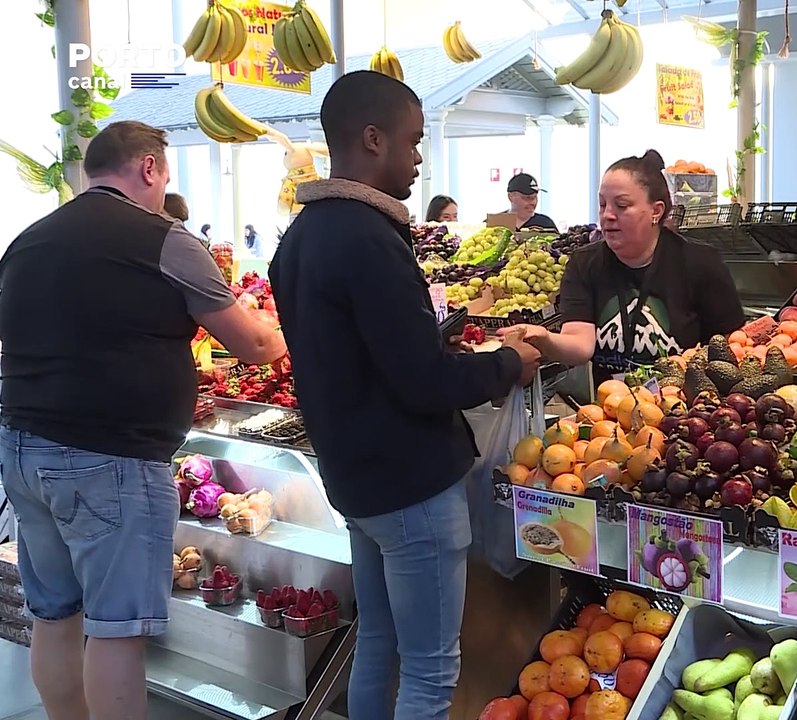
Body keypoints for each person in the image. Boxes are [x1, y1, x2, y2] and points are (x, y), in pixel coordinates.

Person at [269, 71, 540, 720]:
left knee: (379, 647)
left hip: (357, 487)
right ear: (372, 139)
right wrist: (509, 362)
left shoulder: (299, 239)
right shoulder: (368, 238)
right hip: (412, 490)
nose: (420, 158)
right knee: (429, 671)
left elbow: (359, 357)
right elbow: (422, 383)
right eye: (413, 143)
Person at [0, 120, 286, 720]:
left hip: (23, 449)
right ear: (149, 168)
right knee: (116, 630)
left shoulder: (28, 240)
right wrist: (294, 332)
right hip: (110, 459)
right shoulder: (162, 238)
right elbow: (253, 345)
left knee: (53, 615)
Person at [500, 149, 744, 383]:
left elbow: (730, 347)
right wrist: (545, 339)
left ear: (656, 211)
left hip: (686, 413)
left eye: (622, 205)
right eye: (603, 205)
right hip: (614, 412)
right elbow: (580, 345)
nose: (607, 215)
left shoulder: (699, 262)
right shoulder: (585, 263)